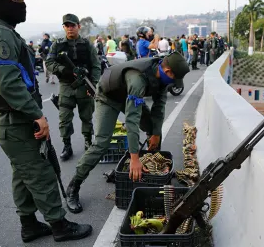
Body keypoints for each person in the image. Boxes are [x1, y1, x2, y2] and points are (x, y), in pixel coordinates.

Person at [0, 0, 92, 243]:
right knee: (40, 173)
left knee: (23, 175)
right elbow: (8, 84)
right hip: (17, 121)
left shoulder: (6, 32)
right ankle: (60, 225)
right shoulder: (1, 35)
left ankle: (29, 225)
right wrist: (37, 115)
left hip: (12, 122)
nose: (22, 4)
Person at [64, 51, 190, 213]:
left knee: (153, 130)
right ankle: (74, 185)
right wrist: (135, 158)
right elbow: (132, 121)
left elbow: (158, 109)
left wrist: (155, 133)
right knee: (102, 143)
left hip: (128, 95)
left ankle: (153, 173)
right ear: (168, 72)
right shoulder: (138, 80)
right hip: (108, 98)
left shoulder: (162, 78)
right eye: (175, 79)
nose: (174, 83)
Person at [46, 14, 101, 160]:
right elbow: (49, 62)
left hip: (85, 85)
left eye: (73, 25)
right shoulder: (57, 45)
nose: (70, 28)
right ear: (64, 27)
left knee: (87, 117)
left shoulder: (87, 44)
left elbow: (96, 65)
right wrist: (62, 69)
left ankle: (88, 142)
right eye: (67, 26)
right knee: (64, 119)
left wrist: (93, 84)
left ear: (78, 26)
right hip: (66, 86)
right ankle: (67, 146)